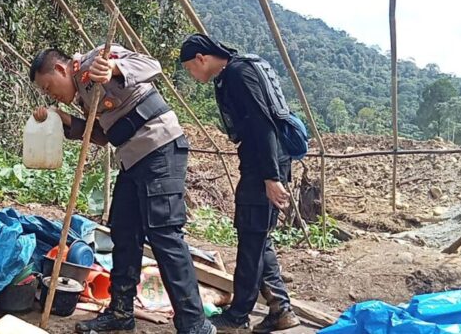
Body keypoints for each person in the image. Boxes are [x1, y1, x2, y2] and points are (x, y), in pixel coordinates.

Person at [29, 45, 215, 334]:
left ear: (61, 69)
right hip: (132, 158)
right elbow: (103, 136)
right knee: (124, 232)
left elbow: (152, 65)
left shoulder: (97, 59)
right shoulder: (84, 96)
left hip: (160, 148)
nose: (51, 94)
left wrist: (115, 69)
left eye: (49, 87)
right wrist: (63, 118)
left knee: (165, 235)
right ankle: (120, 312)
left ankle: (194, 323)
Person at [180, 33, 301, 333]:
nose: (191, 76)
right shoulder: (240, 69)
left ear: (201, 59)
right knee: (259, 236)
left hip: (265, 163)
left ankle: (237, 316)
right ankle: (281, 310)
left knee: (250, 237)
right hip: (266, 160)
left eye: (189, 69)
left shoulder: (236, 74)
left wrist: (271, 177)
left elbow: (263, 123)